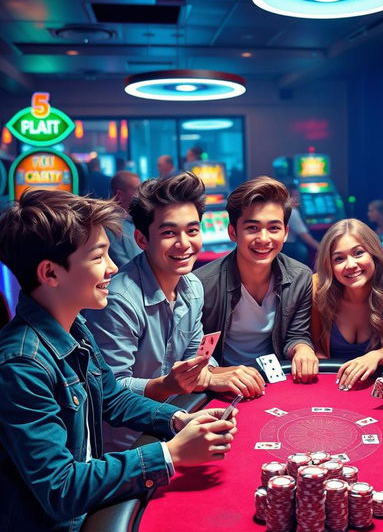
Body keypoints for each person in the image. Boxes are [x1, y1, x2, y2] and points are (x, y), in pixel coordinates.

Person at [0, 190, 238, 532]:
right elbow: (60, 488)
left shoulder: (74, 326)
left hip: (86, 520)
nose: (113, 268)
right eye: (98, 257)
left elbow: (110, 397)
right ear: (50, 273)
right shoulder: (21, 364)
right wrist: (170, 455)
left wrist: (177, 422)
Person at [85, 173, 263, 451]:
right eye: (169, 233)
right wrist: (167, 385)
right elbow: (110, 391)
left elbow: (196, 358)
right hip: (126, 447)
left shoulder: (192, 286)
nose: (184, 243)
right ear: (142, 239)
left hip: (178, 423)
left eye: (192, 230)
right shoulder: (118, 299)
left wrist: (213, 373)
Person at [195, 176, 318, 383]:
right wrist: (218, 375)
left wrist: (303, 348)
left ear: (286, 233)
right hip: (222, 382)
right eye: (252, 228)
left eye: (274, 228)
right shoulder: (201, 284)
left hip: (276, 379)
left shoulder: (300, 276)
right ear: (233, 232)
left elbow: (297, 335)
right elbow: (194, 354)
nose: (264, 239)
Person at [312, 219, 383, 389]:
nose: (351, 265)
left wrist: (376, 355)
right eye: (339, 258)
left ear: (373, 253)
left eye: (358, 253)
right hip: (328, 386)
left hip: (374, 390)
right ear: (329, 265)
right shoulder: (317, 290)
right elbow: (311, 343)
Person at [106, 170, 142, 268]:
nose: (142, 194)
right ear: (120, 194)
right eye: (137, 190)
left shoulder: (137, 218)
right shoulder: (110, 225)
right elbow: (123, 264)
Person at [282, 184, 320, 264]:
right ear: (286, 198)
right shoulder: (292, 211)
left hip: (285, 245)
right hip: (287, 246)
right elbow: (305, 236)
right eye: (294, 196)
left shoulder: (285, 209)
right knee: (302, 250)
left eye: (298, 196)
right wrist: (322, 248)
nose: (297, 200)